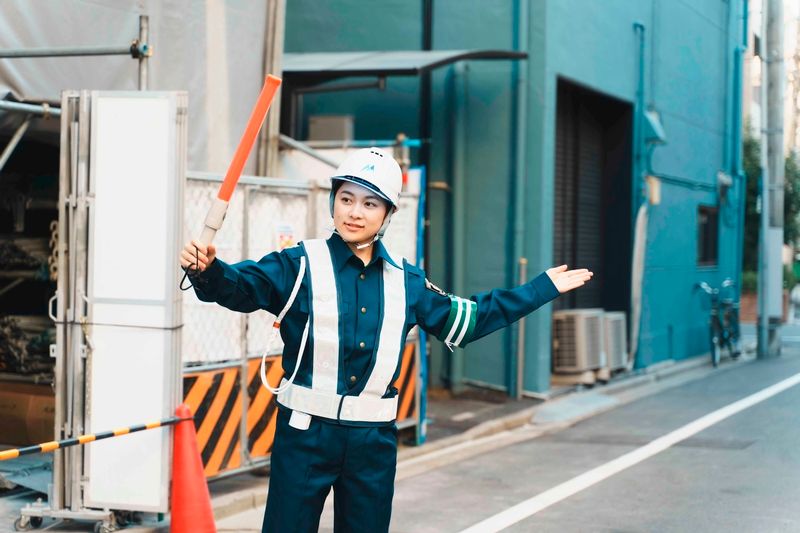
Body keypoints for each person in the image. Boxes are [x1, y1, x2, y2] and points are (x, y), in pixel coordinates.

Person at [179, 147, 593, 533]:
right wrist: (208, 271)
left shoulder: (407, 281)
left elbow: (468, 321)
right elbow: (240, 287)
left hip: (372, 442)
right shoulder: (298, 264)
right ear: (333, 202)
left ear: (388, 213)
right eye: (346, 199)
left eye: (369, 203)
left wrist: (538, 290)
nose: (354, 212)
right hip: (304, 435)